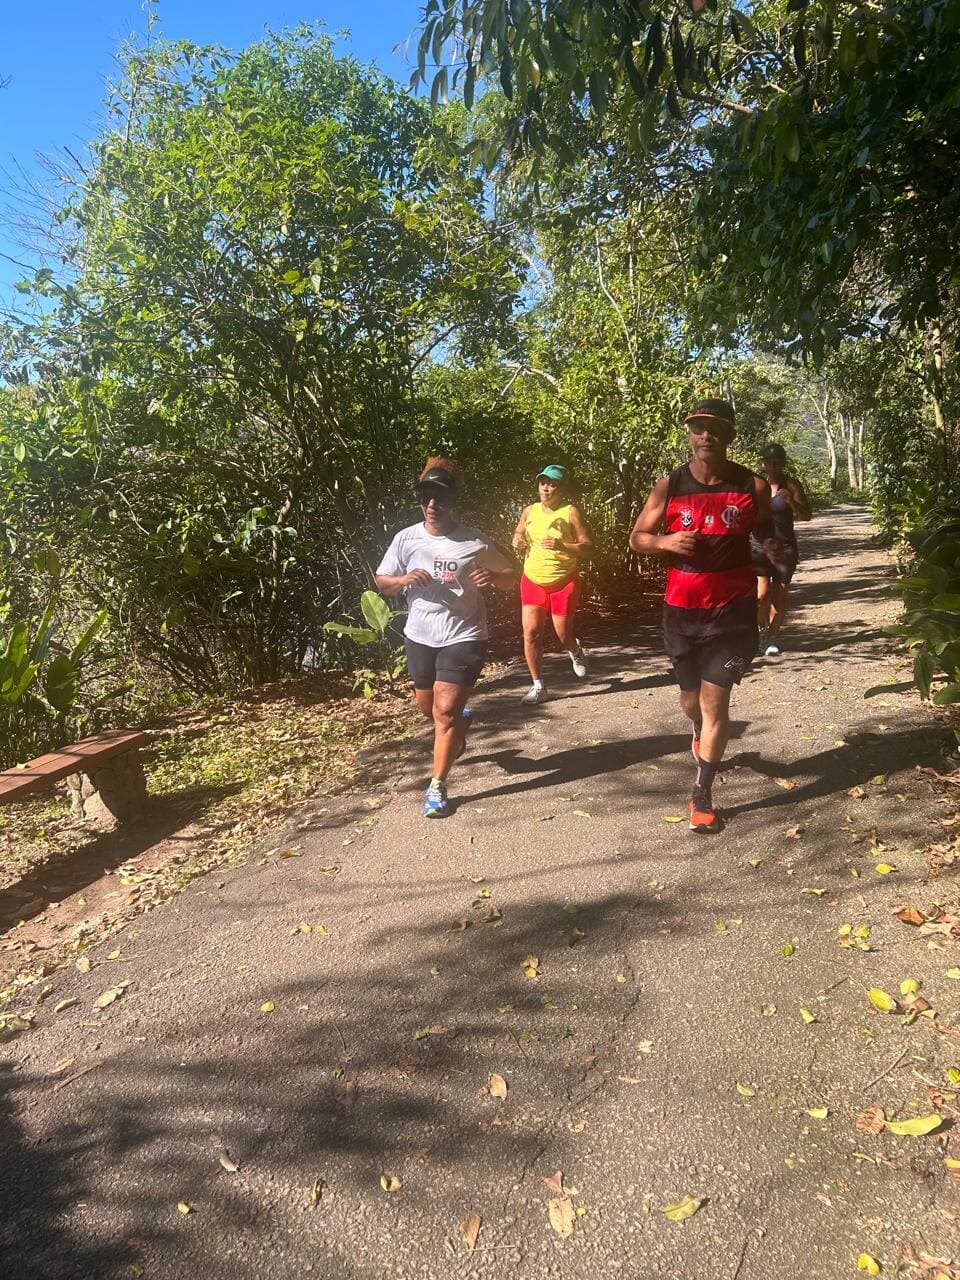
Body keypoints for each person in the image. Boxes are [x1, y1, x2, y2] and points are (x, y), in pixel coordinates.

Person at [628, 399, 782, 833]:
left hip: (732, 613)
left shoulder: (751, 486)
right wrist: (665, 544)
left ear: (729, 435)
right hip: (680, 612)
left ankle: (702, 794)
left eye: (714, 428)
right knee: (691, 703)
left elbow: (768, 537)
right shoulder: (670, 484)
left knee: (717, 706)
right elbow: (637, 537)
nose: (705, 435)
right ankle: (698, 730)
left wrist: (772, 588)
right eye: (698, 427)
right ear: (690, 434)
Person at [375, 458, 516, 818]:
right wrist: (404, 580)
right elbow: (382, 581)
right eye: (425, 497)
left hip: (465, 634)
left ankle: (436, 786)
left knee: (444, 712)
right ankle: (458, 725)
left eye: (440, 498)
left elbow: (509, 574)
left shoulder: (472, 539)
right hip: (420, 635)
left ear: (452, 500)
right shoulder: (405, 539)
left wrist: (492, 578)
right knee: (428, 707)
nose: (432, 505)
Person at [511, 464, 593, 705]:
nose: (546, 488)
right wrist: (517, 540)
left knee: (563, 633)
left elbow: (588, 548)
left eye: (552, 484)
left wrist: (562, 546)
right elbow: (518, 533)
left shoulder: (571, 512)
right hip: (533, 579)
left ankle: (575, 651)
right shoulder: (529, 511)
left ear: (561, 488)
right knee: (531, 633)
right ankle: (538, 686)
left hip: (563, 581)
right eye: (543, 483)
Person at [751, 443, 812, 656]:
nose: (773, 466)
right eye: (769, 462)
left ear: (783, 463)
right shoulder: (755, 485)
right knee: (762, 594)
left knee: (781, 595)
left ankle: (771, 638)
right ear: (763, 464)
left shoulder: (792, 485)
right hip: (759, 545)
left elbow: (806, 515)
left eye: (777, 462)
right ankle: (760, 633)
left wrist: (791, 502)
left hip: (785, 547)